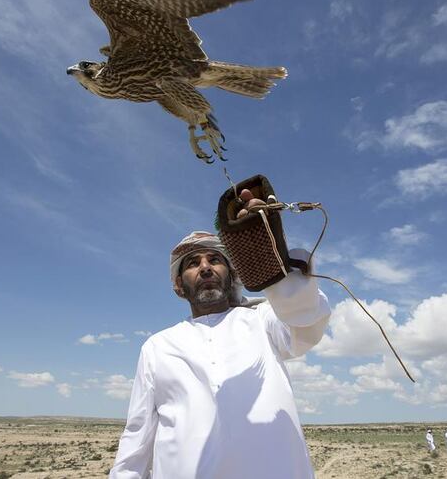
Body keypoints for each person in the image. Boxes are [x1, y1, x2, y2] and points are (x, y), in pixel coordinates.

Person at [108, 189, 331, 479]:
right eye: (192, 263)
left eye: (215, 259)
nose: (204, 268)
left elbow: (307, 323)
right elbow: (138, 434)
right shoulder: (158, 346)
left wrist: (268, 251)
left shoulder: (263, 319)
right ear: (178, 286)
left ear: (232, 275)